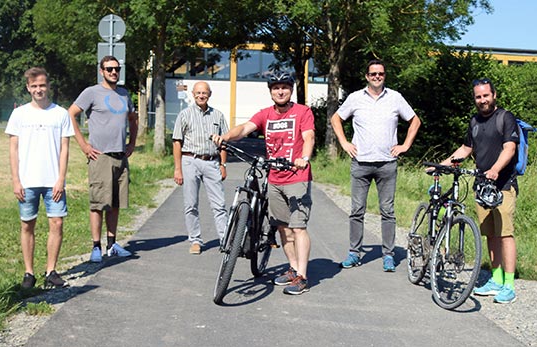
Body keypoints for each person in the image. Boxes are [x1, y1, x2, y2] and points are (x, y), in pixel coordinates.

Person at [212, 72, 315, 295]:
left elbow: (309, 137)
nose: (280, 91)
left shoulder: (302, 112)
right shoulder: (265, 115)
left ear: (291, 90)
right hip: (275, 178)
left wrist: (303, 159)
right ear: (270, 92)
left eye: (285, 87)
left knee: (298, 227)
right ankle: (293, 268)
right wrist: (226, 137)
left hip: (297, 177)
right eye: (276, 88)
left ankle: (303, 277)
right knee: (282, 226)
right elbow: (244, 129)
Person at [330, 59, 421, 272]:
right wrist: (344, 143)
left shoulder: (395, 98)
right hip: (361, 163)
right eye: (373, 74)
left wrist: (405, 145)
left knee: (387, 211)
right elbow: (336, 119)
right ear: (367, 76)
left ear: (384, 75)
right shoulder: (355, 98)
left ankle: (388, 255)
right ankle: (354, 253)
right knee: (356, 210)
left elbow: (415, 121)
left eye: (380, 73)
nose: (377, 77)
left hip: (387, 164)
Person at [440, 78, 520, 304]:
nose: (482, 100)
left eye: (486, 95)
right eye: (478, 97)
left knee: (505, 234)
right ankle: (495, 278)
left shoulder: (505, 117)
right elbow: (466, 148)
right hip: (481, 187)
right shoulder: (474, 121)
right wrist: (443, 164)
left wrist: (495, 169)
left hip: (503, 185)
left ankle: (509, 285)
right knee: (491, 234)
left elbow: (510, 147)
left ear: (494, 95)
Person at [5, 67, 74, 289]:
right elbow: (13, 149)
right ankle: (29, 273)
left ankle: (51, 271)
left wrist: (60, 179)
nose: (38, 89)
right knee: (27, 225)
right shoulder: (19, 114)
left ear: (49, 86)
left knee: (57, 223)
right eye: (34, 86)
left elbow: (65, 149)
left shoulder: (60, 114)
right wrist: (16, 180)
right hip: (27, 181)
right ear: (28, 88)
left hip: (53, 181)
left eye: (42, 85)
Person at [68, 55, 138, 263]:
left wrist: (132, 143)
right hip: (100, 156)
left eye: (116, 69)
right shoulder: (92, 92)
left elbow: (133, 120)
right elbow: (70, 114)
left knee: (115, 203)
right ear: (101, 71)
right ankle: (96, 246)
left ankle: (112, 244)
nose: (114, 72)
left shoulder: (124, 94)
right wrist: (83, 145)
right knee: (99, 203)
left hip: (120, 156)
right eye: (109, 69)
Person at [172, 82, 229, 255]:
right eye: (198, 93)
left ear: (209, 94)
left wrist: (223, 164)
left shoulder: (218, 115)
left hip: (212, 162)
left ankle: (225, 239)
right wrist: (177, 169)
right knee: (191, 204)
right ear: (193, 94)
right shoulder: (184, 115)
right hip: (190, 160)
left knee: (219, 204)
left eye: (204, 93)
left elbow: (224, 142)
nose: (201, 96)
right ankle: (195, 240)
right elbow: (177, 142)